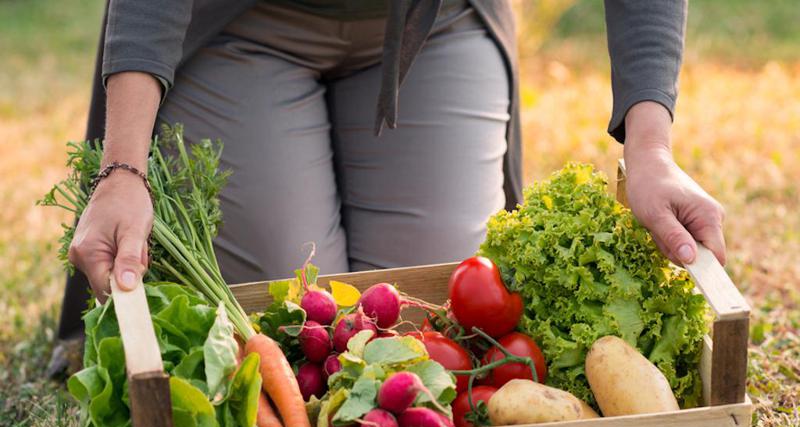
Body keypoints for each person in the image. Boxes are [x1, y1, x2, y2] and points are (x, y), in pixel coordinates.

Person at [51, 0, 726, 372]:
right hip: (241, 24)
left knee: (427, 319)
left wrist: (650, 148)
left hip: (434, 24)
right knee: (292, 318)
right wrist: (123, 168)